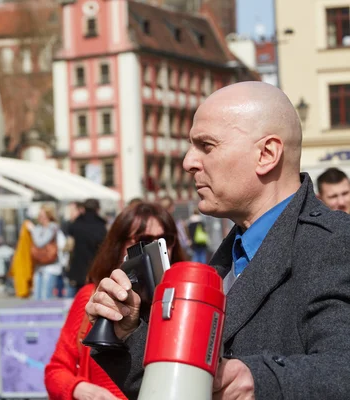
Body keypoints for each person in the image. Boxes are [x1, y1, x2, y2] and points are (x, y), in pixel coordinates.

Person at [85, 81, 350, 399]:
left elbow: (341, 368)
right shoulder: (228, 257)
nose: (188, 162)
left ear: (266, 154)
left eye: (206, 146)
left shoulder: (334, 244)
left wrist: (258, 381)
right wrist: (127, 330)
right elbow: (178, 388)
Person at [45, 201, 187, 400]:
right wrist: (81, 389)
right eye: (144, 240)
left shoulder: (187, 305)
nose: (157, 248)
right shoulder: (94, 298)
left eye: (165, 239)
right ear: (121, 245)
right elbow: (56, 371)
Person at [65, 199, 107, 297]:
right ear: (97, 209)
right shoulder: (100, 225)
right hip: (94, 267)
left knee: (79, 297)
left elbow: (69, 230)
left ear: (83, 209)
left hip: (78, 266)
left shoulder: (77, 223)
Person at [27, 204, 65, 300]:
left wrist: (32, 230)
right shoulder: (39, 228)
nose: (40, 218)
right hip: (39, 265)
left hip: (50, 267)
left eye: (42, 216)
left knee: (46, 297)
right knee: (37, 297)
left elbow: (40, 243)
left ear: (49, 216)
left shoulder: (53, 227)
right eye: (39, 216)